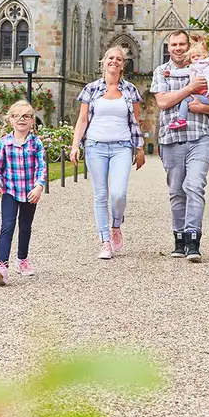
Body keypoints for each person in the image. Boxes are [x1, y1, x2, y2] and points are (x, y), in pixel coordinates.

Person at [151, 30, 209, 261]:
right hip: (170, 139)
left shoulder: (204, 66)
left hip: (200, 136)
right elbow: (163, 101)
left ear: (188, 45)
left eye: (181, 44)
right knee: (177, 192)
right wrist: (190, 88)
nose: (177, 48)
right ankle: (179, 238)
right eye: (173, 44)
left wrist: (201, 108)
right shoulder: (161, 71)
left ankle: (193, 239)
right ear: (168, 48)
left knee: (195, 186)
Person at [69, 45, 146, 259]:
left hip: (122, 145)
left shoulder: (130, 90)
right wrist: (75, 145)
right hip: (96, 146)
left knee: (119, 193)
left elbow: (135, 122)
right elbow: (82, 120)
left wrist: (139, 149)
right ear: (103, 62)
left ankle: (116, 226)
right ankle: (104, 241)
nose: (114, 61)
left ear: (123, 64)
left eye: (118, 59)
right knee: (100, 194)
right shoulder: (91, 89)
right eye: (110, 58)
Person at [0, 100, 47, 286]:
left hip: (30, 192)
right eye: (17, 116)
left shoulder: (36, 143)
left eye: (26, 116)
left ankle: (22, 260)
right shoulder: (4, 143)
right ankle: (2, 268)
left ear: (32, 121)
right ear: (10, 120)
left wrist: (38, 186)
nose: (21, 120)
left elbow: (41, 168)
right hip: (10, 191)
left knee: (25, 227)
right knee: (7, 226)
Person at [165, 40, 209, 146]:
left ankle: (181, 119)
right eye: (193, 57)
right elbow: (182, 72)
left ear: (205, 56)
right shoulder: (194, 67)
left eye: (198, 56)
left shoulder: (207, 67)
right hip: (205, 95)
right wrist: (170, 73)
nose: (196, 58)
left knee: (186, 100)